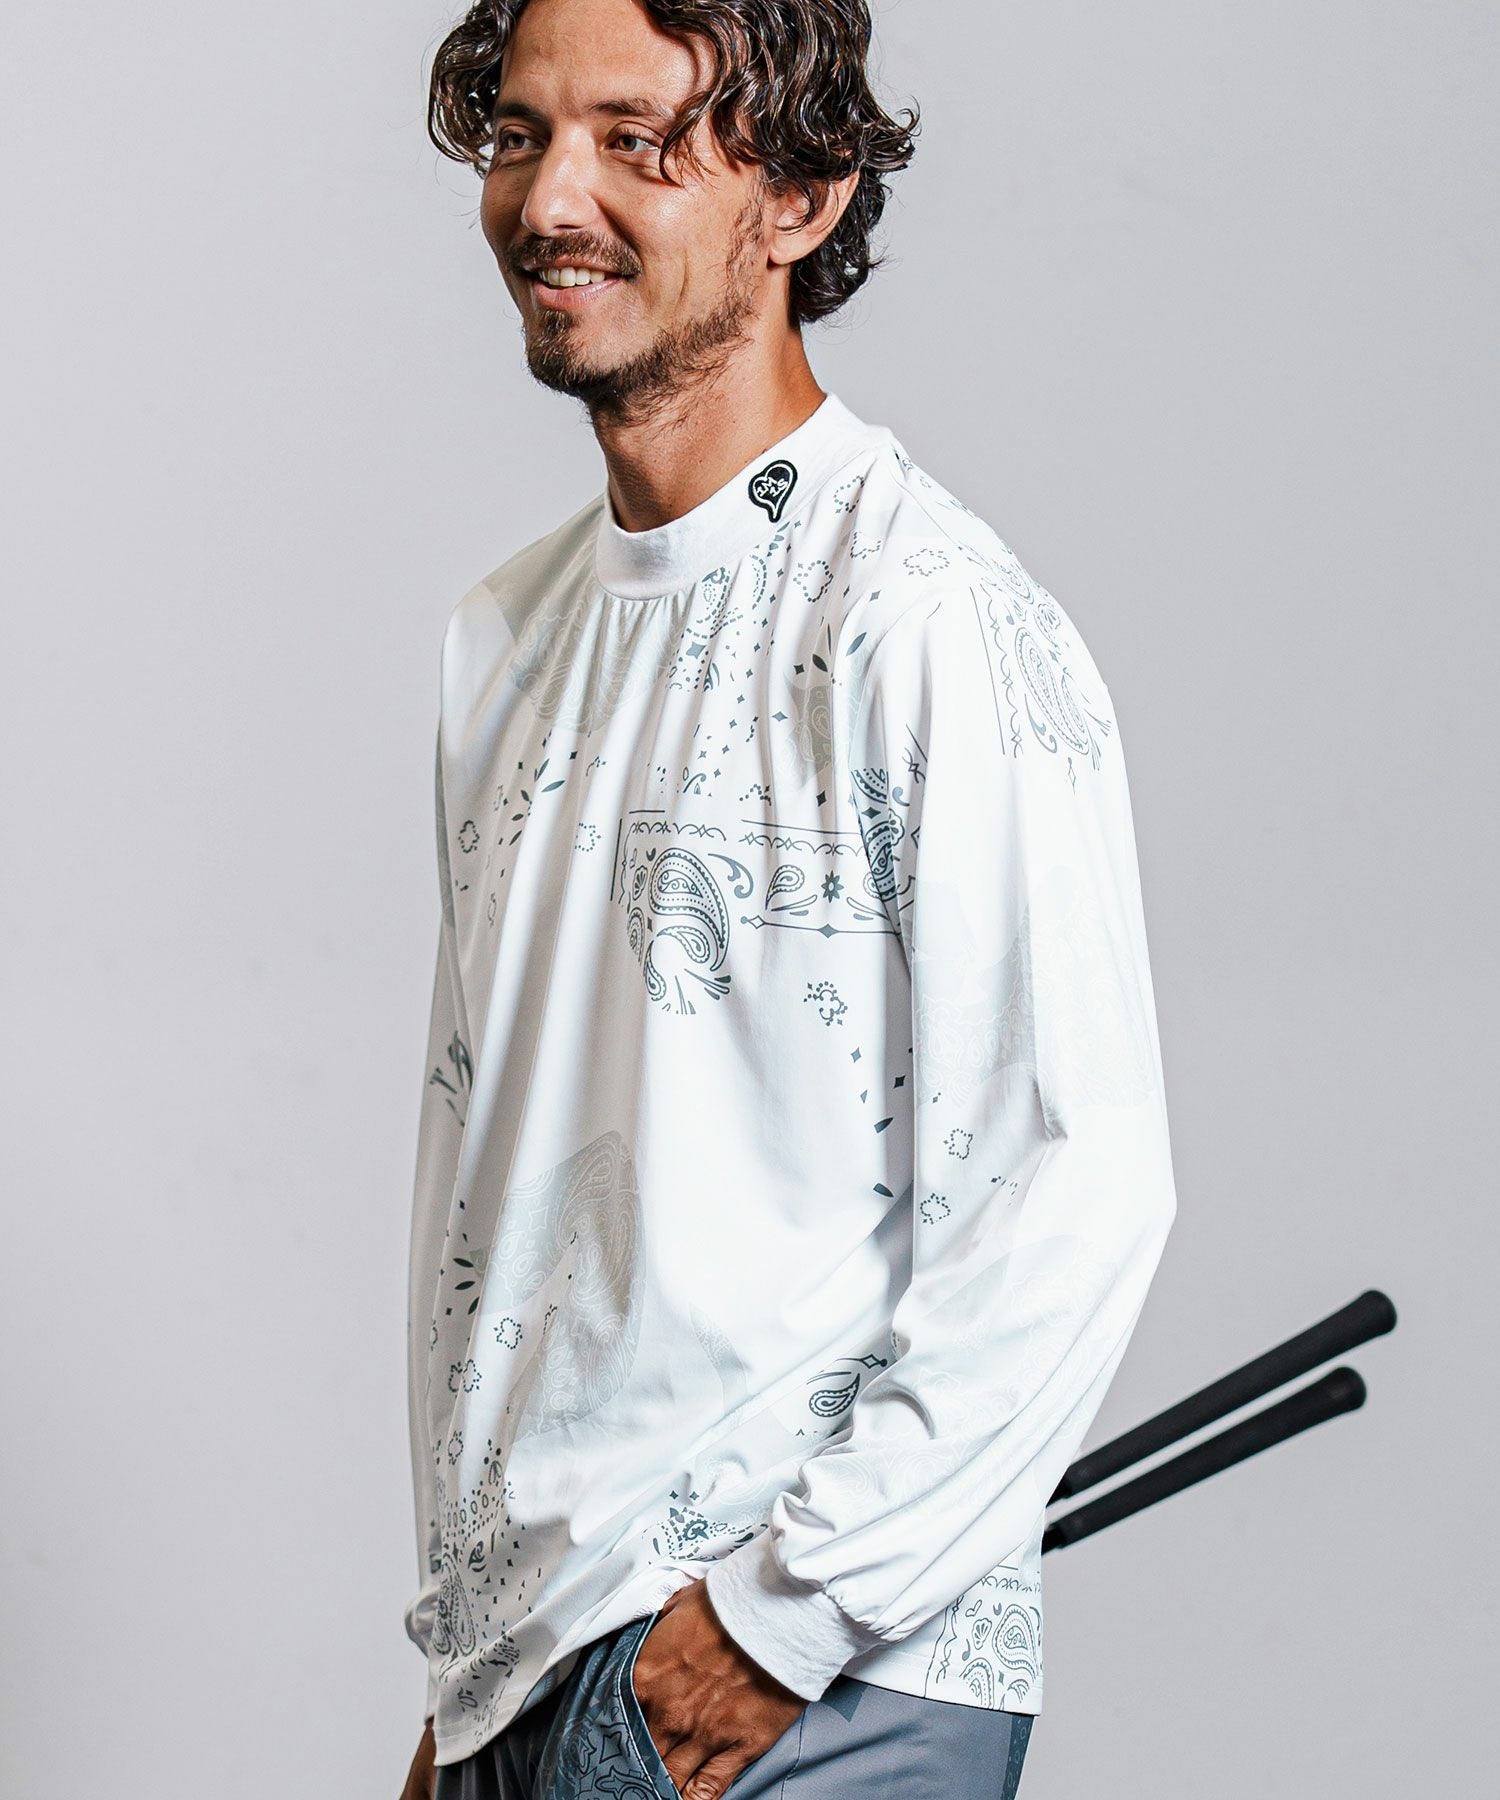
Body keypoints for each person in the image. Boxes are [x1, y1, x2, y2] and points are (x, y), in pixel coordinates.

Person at [399, 2, 1179, 1796]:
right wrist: (473, 1688)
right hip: (530, 1668)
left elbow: (1076, 1183)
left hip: (811, 1668)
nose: (552, 198)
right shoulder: (500, 641)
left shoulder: (928, 620)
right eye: (520, 134)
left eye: (637, 139)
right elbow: (487, 1186)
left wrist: (776, 1626)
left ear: (803, 195)